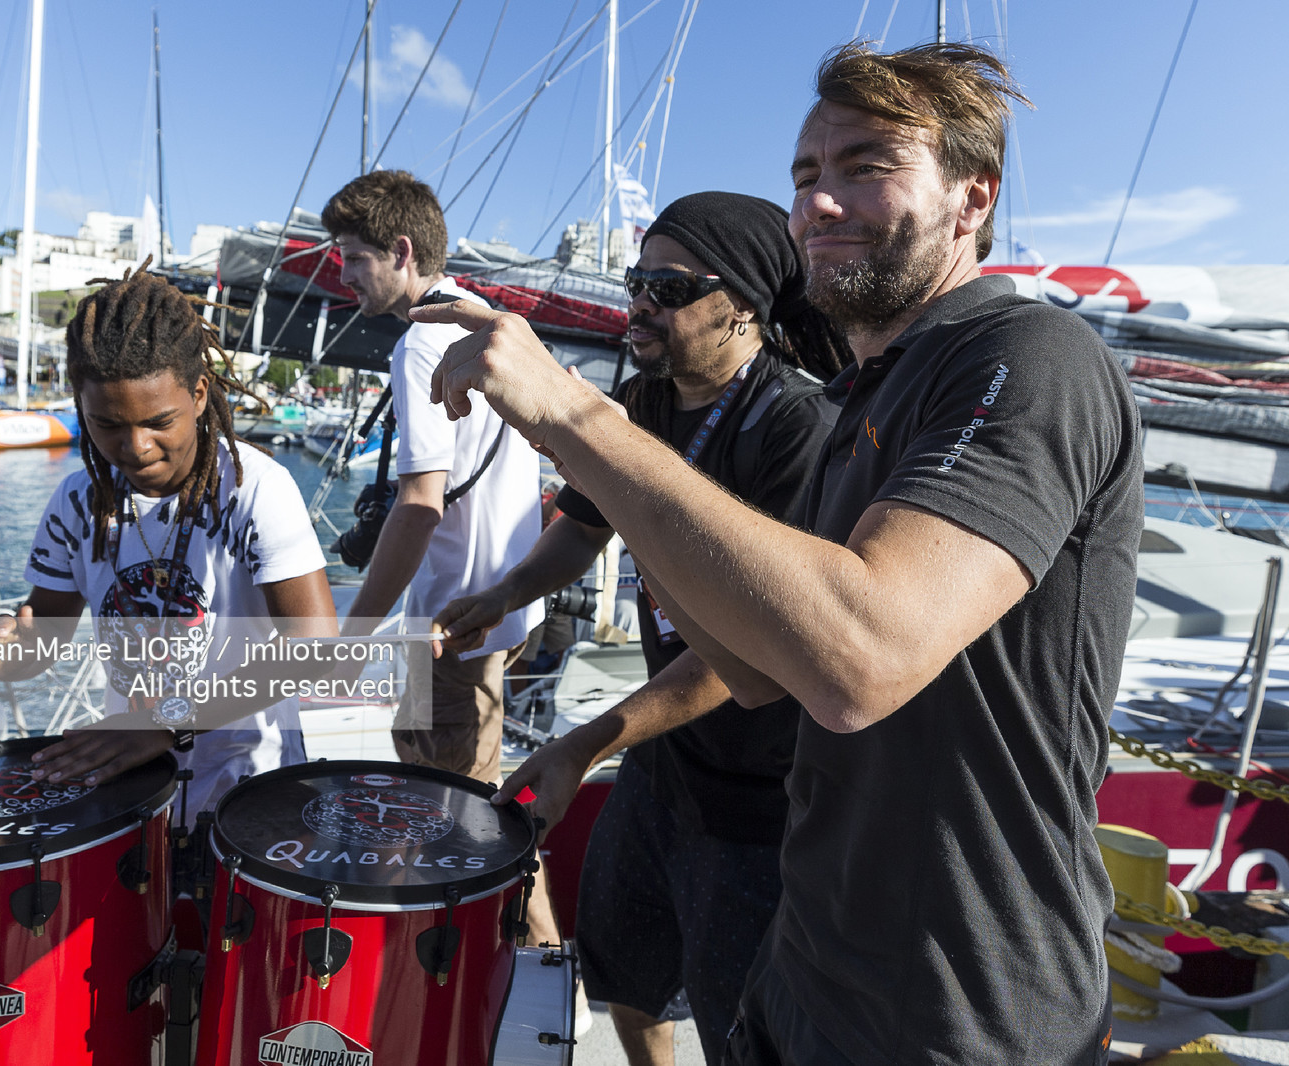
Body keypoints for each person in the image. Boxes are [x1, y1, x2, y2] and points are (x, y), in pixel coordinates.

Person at [422, 42, 1142, 1066]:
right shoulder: (860, 401)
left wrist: (572, 411)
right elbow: (757, 668)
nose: (820, 202)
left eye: (865, 167)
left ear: (970, 200)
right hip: (807, 973)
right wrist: (587, 456)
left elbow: (861, 658)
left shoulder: (1025, 356)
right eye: (806, 175)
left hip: (964, 1011)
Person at [436, 192, 850, 1065]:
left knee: (740, 1021)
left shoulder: (795, 430)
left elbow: (745, 656)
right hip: (664, 769)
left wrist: (584, 743)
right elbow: (584, 528)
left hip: (760, 795)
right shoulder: (645, 401)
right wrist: (504, 594)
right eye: (637, 282)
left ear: (741, 303)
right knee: (626, 974)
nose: (640, 304)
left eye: (667, 285)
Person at [0, 267, 339, 811]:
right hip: (133, 783)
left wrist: (167, 723)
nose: (136, 446)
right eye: (108, 425)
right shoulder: (78, 502)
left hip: (249, 784)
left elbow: (314, 646)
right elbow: (38, 642)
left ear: (198, 394)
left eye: (158, 421)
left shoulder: (256, 487)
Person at [320, 170, 556, 948]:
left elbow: (420, 503)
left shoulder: (423, 344)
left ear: (399, 250)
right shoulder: (491, 324)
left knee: (452, 806)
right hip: (505, 607)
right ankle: (535, 961)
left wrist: (352, 640)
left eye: (352, 256)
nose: (341, 272)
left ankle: (535, 965)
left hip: (454, 622)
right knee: (461, 786)